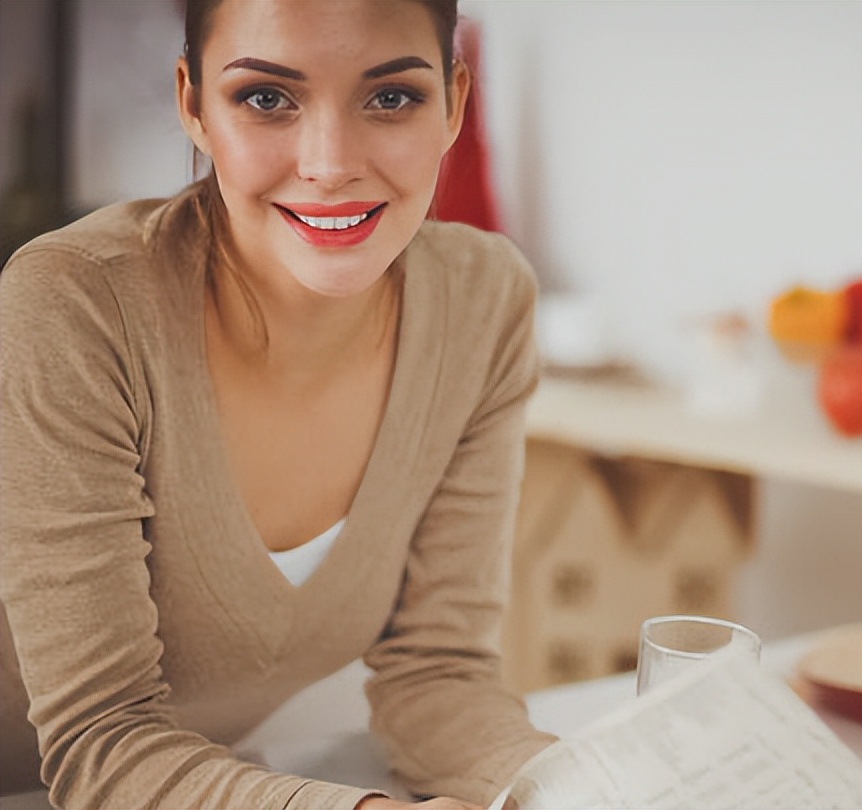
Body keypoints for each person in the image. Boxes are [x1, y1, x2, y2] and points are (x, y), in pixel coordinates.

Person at [0, 1, 558, 807]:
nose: (330, 164)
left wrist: (588, 788)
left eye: (391, 97)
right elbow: (102, 735)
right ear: (193, 103)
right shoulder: (76, 306)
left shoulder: (484, 302)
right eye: (266, 98)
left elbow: (439, 672)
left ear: (454, 105)